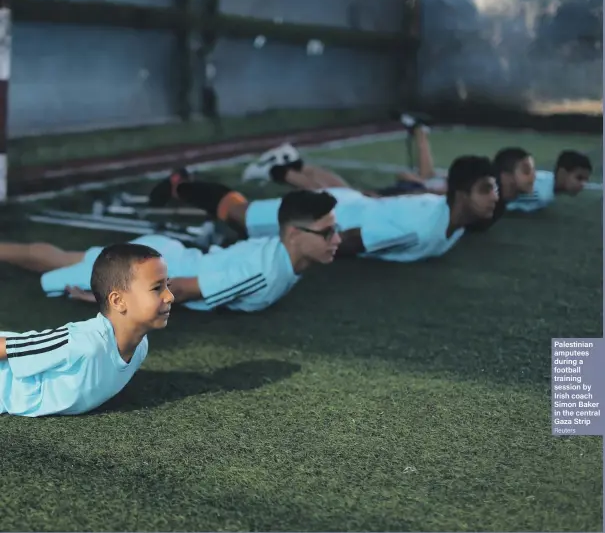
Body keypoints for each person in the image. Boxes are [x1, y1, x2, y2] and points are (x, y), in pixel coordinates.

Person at [0, 191, 341, 313]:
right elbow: (181, 288)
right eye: (327, 233)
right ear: (294, 234)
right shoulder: (265, 272)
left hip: (167, 255)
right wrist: (110, 295)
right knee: (55, 262)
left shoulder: (285, 251)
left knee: (68, 256)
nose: (337, 239)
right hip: (150, 268)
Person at [146, 154, 499, 264]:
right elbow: (351, 241)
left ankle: (284, 168)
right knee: (244, 217)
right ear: (460, 194)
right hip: (332, 214)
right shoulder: (423, 226)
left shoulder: (454, 222)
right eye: (486, 190)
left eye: (495, 188)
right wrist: (300, 250)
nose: (494, 197)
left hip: (350, 204)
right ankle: (181, 185)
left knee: (247, 221)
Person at [0, 243, 173, 417]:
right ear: (118, 301)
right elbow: (12, 347)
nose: (170, 296)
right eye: (157, 288)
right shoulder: (83, 343)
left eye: (168, 285)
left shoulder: (140, 347)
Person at [238, 114, 447, 197]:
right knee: (337, 193)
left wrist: (419, 181)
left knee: (339, 191)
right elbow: (409, 176)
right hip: (392, 199)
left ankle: (287, 166)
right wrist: (420, 182)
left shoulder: (441, 191)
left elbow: (408, 175)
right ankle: (278, 170)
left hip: (395, 199)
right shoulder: (445, 193)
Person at [506, 150, 593, 213]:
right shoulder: (543, 195)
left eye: (585, 180)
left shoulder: (547, 179)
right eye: (579, 178)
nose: (583, 184)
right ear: (562, 173)